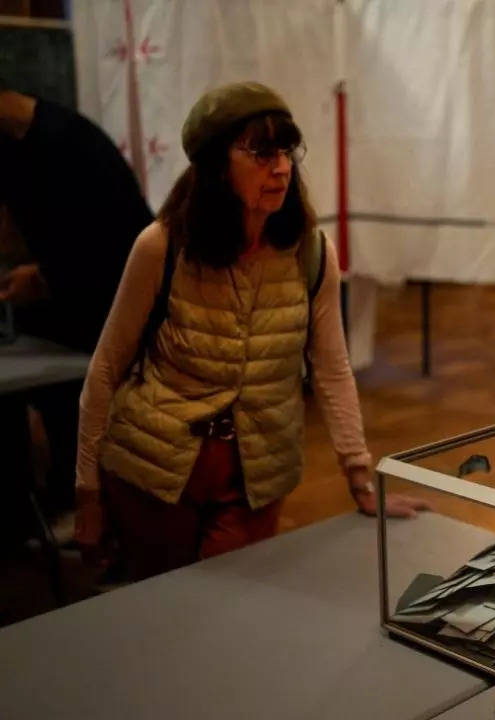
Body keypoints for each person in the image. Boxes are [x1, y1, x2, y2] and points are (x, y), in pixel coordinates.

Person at [74, 82, 427, 580]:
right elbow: (106, 368)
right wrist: (87, 494)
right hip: (154, 470)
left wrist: (361, 478)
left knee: (234, 610)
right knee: (159, 616)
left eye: (286, 151)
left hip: (257, 472)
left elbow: (331, 369)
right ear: (218, 165)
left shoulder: (311, 252)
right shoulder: (162, 246)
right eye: (261, 153)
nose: (281, 166)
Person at [0, 87, 154, 516]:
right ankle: (33, 511)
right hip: (62, 310)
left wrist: (44, 277)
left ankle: (87, 511)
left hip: (112, 309)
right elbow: (12, 228)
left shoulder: (73, 146)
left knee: (77, 410)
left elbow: (120, 249)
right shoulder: (10, 147)